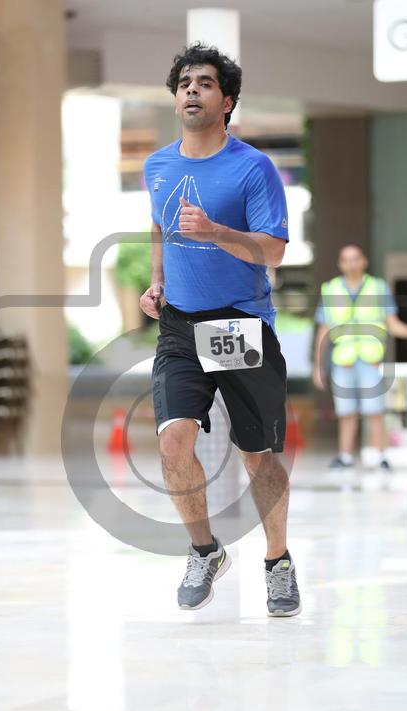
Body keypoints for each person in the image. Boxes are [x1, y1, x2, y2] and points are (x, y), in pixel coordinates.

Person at [139, 43, 300, 616]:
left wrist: (215, 233)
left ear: (226, 101)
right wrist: (157, 281)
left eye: (205, 83)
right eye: (184, 82)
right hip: (179, 325)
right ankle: (205, 550)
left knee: (257, 454)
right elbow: (158, 227)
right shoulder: (157, 166)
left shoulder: (252, 168)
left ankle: (278, 562)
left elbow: (274, 251)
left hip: (239, 323)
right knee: (172, 441)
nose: (192, 90)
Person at [313, 244, 407, 469]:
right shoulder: (331, 289)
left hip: (370, 360)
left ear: (364, 261)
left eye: (355, 258)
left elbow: (392, 323)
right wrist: (318, 367)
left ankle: (381, 456)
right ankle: (345, 457)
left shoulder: (378, 287)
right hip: (343, 360)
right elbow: (323, 331)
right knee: (346, 412)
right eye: (346, 259)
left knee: (375, 410)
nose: (351, 263)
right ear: (340, 264)